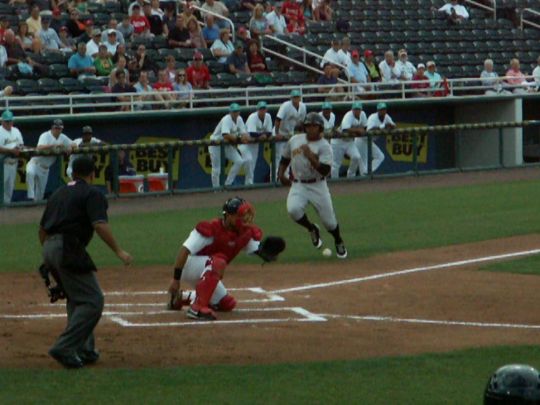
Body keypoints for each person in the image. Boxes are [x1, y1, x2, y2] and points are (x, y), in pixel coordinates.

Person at [39, 155, 132, 368]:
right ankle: (65, 346)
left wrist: (48, 257)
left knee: (76, 297)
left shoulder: (58, 193)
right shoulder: (92, 193)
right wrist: (119, 251)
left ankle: (85, 349)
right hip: (68, 247)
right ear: (93, 174)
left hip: (50, 247)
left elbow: (42, 229)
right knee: (93, 300)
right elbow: (99, 225)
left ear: (72, 173)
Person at [167, 197, 264, 320]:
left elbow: (258, 249)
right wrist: (176, 280)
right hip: (189, 265)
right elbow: (184, 250)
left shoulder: (243, 233)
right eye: (240, 216)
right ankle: (197, 308)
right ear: (228, 216)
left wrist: (269, 250)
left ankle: (183, 297)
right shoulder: (211, 228)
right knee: (218, 261)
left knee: (226, 304)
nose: (244, 219)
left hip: (209, 267)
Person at [278, 112, 347, 258]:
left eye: (314, 126)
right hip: (299, 184)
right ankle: (311, 228)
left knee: (329, 223)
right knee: (293, 210)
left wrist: (310, 156)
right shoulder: (295, 140)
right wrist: (281, 174)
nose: (310, 128)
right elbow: (284, 158)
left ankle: (338, 239)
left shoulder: (325, 146)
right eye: (308, 125)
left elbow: (325, 171)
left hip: (318, 185)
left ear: (320, 128)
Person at [26, 120, 74, 201]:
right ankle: (30, 196)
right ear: (52, 128)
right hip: (35, 163)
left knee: (40, 195)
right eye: (56, 128)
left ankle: (35, 209)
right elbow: (39, 147)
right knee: (30, 172)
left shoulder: (63, 137)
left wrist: (70, 147)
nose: (58, 130)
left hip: (45, 168)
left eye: (59, 128)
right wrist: (54, 145)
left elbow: (74, 144)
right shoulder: (45, 135)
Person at [209, 103, 250, 188]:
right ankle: (216, 189)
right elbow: (225, 135)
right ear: (230, 112)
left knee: (239, 161)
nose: (235, 113)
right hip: (215, 143)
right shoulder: (226, 119)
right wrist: (239, 139)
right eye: (234, 111)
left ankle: (227, 184)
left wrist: (243, 137)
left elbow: (245, 134)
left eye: (237, 111)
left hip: (226, 144)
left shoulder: (239, 119)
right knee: (217, 169)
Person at [274, 89, 306, 179]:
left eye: (297, 97)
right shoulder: (285, 106)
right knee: (280, 157)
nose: (296, 99)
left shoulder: (303, 107)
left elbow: (301, 122)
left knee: (294, 156)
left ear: (300, 98)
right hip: (281, 133)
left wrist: (300, 134)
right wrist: (277, 133)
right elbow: (277, 119)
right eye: (294, 97)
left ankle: (288, 178)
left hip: (291, 135)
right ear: (291, 98)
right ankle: (278, 179)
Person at [240, 101, 272, 185]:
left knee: (252, 164)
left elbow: (269, 132)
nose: (262, 111)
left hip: (254, 144)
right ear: (257, 110)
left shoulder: (268, 117)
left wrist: (264, 135)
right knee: (249, 160)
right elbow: (252, 133)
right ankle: (248, 183)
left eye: (264, 109)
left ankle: (249, 184)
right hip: (245, 143)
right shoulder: (252, 117)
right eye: (260, 109)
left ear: (266, 110)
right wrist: (262, 135)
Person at [331, 101, 364, 178]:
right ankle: (335, 181)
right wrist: (357, 130)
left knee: (356, 157)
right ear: (352, 110)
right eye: (355, 109)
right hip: (338, 141)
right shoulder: (349, 115)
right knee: (336, 164)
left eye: (358, 109)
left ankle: (351, 176)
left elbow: (365, 127)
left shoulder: (363, 115)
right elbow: (345, 129)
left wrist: (359, 129)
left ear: (361, 110)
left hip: (349, 141)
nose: (357, 111)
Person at [362, 102, 394, 175]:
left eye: (384, 109)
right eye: (381, 110)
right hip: (362, 140)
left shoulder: (386, 117)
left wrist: (389, 127)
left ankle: (367, 173)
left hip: (369, 141)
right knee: (361, 160)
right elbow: (369, 130)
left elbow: (393, 126)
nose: (383, 111)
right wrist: (383, 126)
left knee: (380, 156)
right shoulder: (372, 117)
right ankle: (353, 179)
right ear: (378, 111)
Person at [0, 110, 24, 204]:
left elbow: (21, 144)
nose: (8, 123)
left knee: (9, 189)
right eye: (6, 121)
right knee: (1, 188)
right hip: (2, 165)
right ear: (2, 121)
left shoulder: (16, 131)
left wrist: (19, 148)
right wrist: (10, 151)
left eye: (10, 121)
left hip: (14, 164)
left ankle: (6, 212)